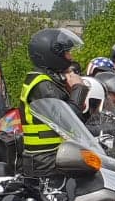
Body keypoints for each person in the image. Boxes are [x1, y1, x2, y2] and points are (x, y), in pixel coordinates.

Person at [20, 28, 82, 181]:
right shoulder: (42, 85)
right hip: (44, 162)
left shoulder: (49, 82)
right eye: (67, 53)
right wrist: (78, 89)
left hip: (53, 158)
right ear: (52, 54)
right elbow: (68, 122)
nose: (71, 57)